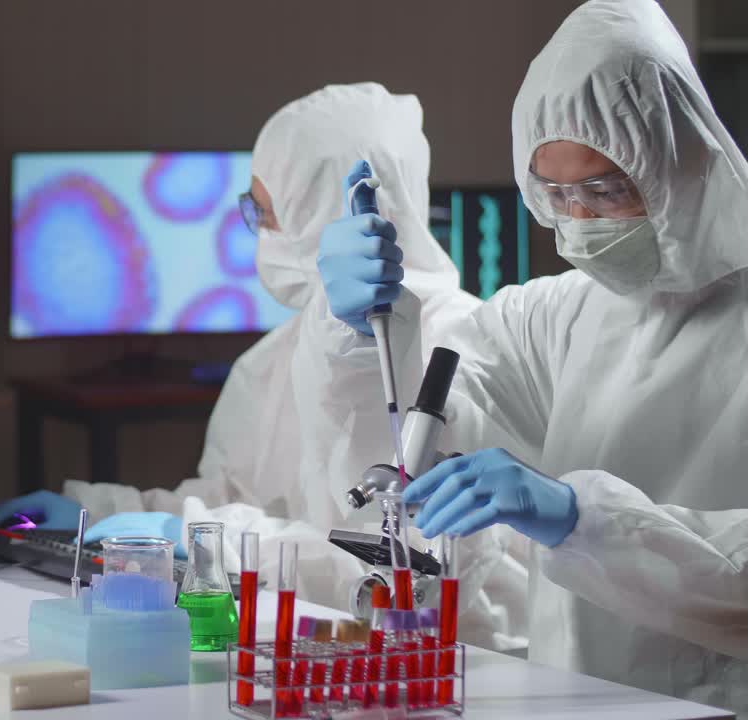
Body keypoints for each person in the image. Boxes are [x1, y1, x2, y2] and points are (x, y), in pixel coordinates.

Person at [0, 83, 528, 649]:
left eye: (265, 212)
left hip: (462, 678)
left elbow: (405, 580)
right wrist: (99, 513)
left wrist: (198, 540)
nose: (258, 230)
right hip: (311, 663)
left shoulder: (468, 352)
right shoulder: (271, 361)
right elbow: (231, 500)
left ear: (320, 211)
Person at [316, 0, 748, 711]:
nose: (577, 221)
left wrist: (581, 517)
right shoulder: (551, 314)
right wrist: (362, 335)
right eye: (556, 193)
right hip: (569, 695)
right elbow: (418, 443)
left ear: (682, 162)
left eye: (605, 190)